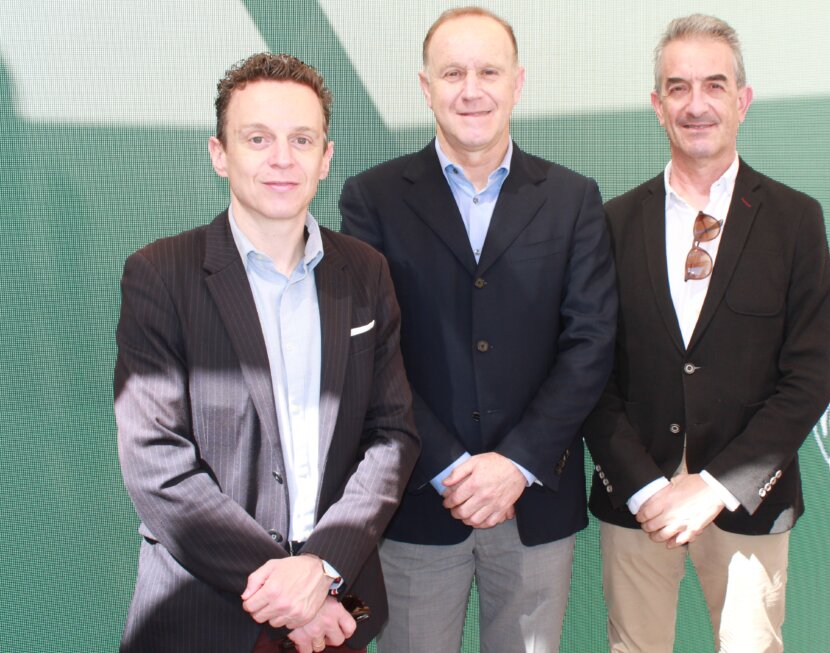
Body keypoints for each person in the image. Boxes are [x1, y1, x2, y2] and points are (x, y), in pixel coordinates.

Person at [114, 52, 420, 653]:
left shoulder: (365, 271)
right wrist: (292, 592)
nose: (282, 158)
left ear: (325, 157)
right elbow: (155, 460)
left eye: (301, 139)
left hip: (338, 611)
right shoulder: (160, 274)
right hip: (204, 615)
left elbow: (392, 436)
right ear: (219, 154)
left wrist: (324, 566)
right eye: (257, 138)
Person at [339, 7, 617, 653]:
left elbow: (591, 342)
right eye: (453, 73)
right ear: (425, 86)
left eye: (489, 72)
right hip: (416, 500)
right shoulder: (372, 199)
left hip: (534, 502)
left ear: (517, 83)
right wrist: (448, 466)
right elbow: (370, 351)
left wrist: (516, 463)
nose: (472, 90)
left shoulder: (573, 199)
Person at [583, 14, 830, 653]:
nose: (696, 105)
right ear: (657, 106)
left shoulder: (795, 221)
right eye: (678, 87)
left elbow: (808, 380)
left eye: (714, 85)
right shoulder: (612, 223)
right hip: (638, 497)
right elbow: (590, 372)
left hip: (750, 496)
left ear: (742, 101)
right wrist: (646, 486)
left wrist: (718, 485)